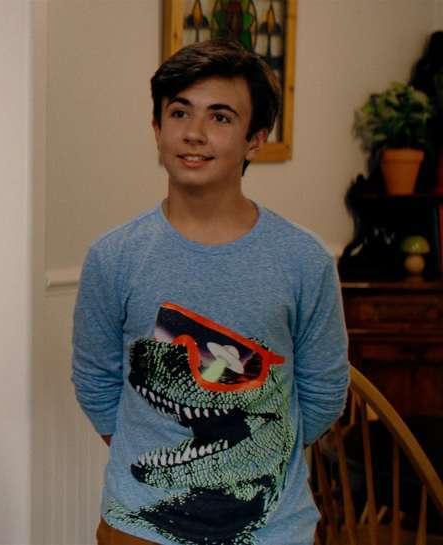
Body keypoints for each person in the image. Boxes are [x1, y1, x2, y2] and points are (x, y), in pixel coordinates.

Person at [71, 39, 349, 545]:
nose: (194, 133)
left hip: (275, 533)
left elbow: (324, 391)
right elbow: (96, 381)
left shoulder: (304, 259)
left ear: (255, 140)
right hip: (137, 530)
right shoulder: (113, 256)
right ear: (157, 128)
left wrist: (259, 451)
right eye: (179, 113)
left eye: (220, 117)